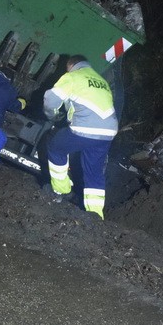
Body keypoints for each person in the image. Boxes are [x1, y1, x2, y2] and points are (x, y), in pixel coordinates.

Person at [43, 55, 118, 218]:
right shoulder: (101, 81)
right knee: (94, 172)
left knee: (55, 147)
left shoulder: (72, 76)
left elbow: (51, 99)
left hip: (85, 128)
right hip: (108, 133)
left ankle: (61, 191)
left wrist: (52, 115)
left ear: (71, 66)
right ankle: (96, 214)